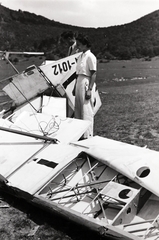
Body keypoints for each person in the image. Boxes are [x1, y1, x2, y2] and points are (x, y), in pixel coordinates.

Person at [74, 33, 97, 139]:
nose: (77, 46)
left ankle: (88, 135)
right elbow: (77, 73)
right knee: (78, 108)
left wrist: (90, 89)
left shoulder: (90, 57)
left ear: (85, 44)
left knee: (86, 109)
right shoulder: (80, 56)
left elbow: (93, 74)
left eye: (79, 44)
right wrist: (75, 86)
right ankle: (79, 134)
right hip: (79, 80)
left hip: (86, 82)